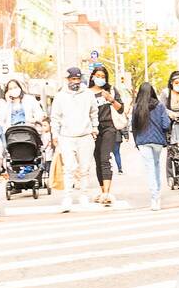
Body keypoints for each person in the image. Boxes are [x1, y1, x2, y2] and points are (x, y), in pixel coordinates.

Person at [49, 65, 99, 212]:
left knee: (84, 169)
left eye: (77, 79)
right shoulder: (60, 96)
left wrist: (95, 128)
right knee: (69, 169)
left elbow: (94, 112)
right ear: (67, 79)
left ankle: (83, 196)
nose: (75, 81)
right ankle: (67, 198)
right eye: (72, 79)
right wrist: (55, 134)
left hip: (85, 136)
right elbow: (55, 117)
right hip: (66, 137)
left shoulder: (88, 94)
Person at [87, 63, 125, 205]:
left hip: (109, 127)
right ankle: (103, 192)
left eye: (103, 76)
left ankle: (107, 193)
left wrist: (111, 99)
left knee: (105, 159)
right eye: (98, 76)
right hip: (93, 130)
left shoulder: (111, 90)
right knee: (97, 160)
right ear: (92, 77)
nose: (100, 78)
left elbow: (121, 109)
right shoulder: (86, 93)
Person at [131, 80, 171, 211]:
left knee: (150, 168)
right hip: (158, 141)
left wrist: (136, 141)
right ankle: (157, 192)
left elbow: (133, 126)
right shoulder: (159, 106)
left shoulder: (136, 107)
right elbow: (166, 124)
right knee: (156, 165)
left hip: (143, 141)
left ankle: (155, 198)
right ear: (152, 91)